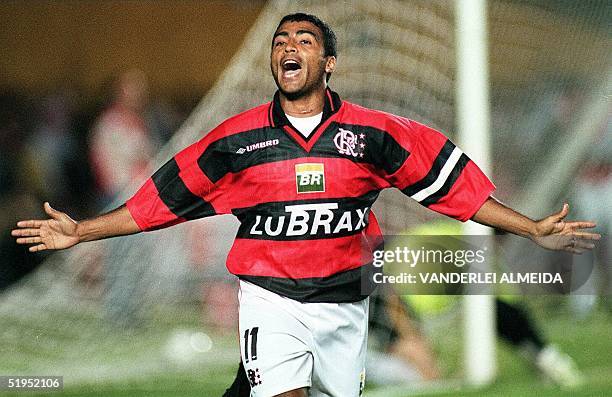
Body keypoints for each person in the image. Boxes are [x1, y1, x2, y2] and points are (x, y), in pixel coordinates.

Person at [12, 13, 600, 397]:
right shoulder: (237, 141)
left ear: (329, 63)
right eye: (281, 42)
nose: (289, 47)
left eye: (305, 41)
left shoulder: (372, 135)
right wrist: (83, 231)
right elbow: (162, 201)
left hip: (344, 307)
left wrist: (529, 230)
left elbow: (449, 186)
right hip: (272, 300)